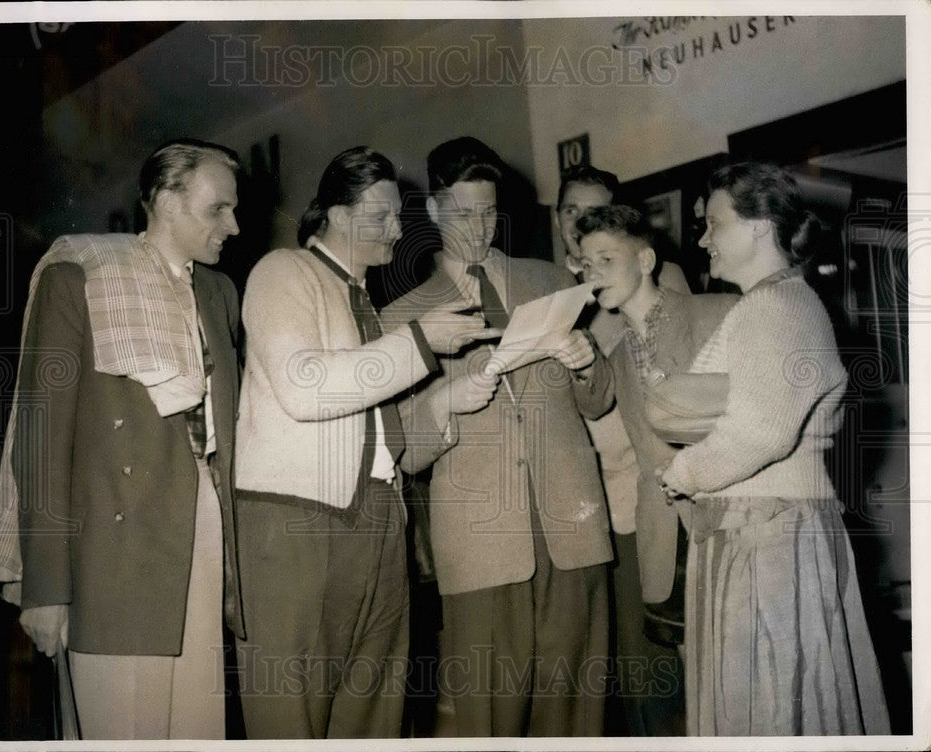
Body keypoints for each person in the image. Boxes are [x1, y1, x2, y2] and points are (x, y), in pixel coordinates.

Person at [233, 146, 500, 739]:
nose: (398, 229)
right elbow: (306, 390)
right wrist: (420, 342)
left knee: (374, 717)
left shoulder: (366, 306)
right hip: (300, 529)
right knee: (291, 719)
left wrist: (442, 402)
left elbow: (382, 440)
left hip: (378, 525)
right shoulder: (284, 272)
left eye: (398, 216)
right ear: (331, 213)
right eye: (380, 215)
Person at [0, 138, 244, 738]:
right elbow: (42, 440)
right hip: (112, 557)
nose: (234, 225)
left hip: (204, 532)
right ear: (165, 200)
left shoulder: (218, 292)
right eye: (219, 209)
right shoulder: (78, 273)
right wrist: (45, 591)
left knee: (199, 731)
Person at [381, 137, 614, 737]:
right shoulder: (400, 316)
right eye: (464, 214)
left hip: (571, 528)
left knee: (576, 714)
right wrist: (442, 404)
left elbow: (599, 397)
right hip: (481, 541)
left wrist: (587, 359)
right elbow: (399, 448)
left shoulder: (550, 280)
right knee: (490, 718)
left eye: (489, 212)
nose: (480, 229)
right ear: (433, 212)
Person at [657, 162, 891, 735]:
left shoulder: (776, 308)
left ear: (761, 227)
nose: (704, 239)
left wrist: (684, 470)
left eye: (714, 224)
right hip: (763, 529)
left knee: (772, 704)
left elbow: (761, 431)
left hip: (767, 534)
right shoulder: (776, 303)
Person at [574, 204, 736, 735]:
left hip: (730, 520)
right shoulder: (616, 351)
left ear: (645, 259)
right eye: (585, 261)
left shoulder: (715, 312)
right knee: (693, 674)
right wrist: (580, 362)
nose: (591, 271)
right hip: (664, 535)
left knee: (741, 670)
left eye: (605, 258)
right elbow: (594, 405)